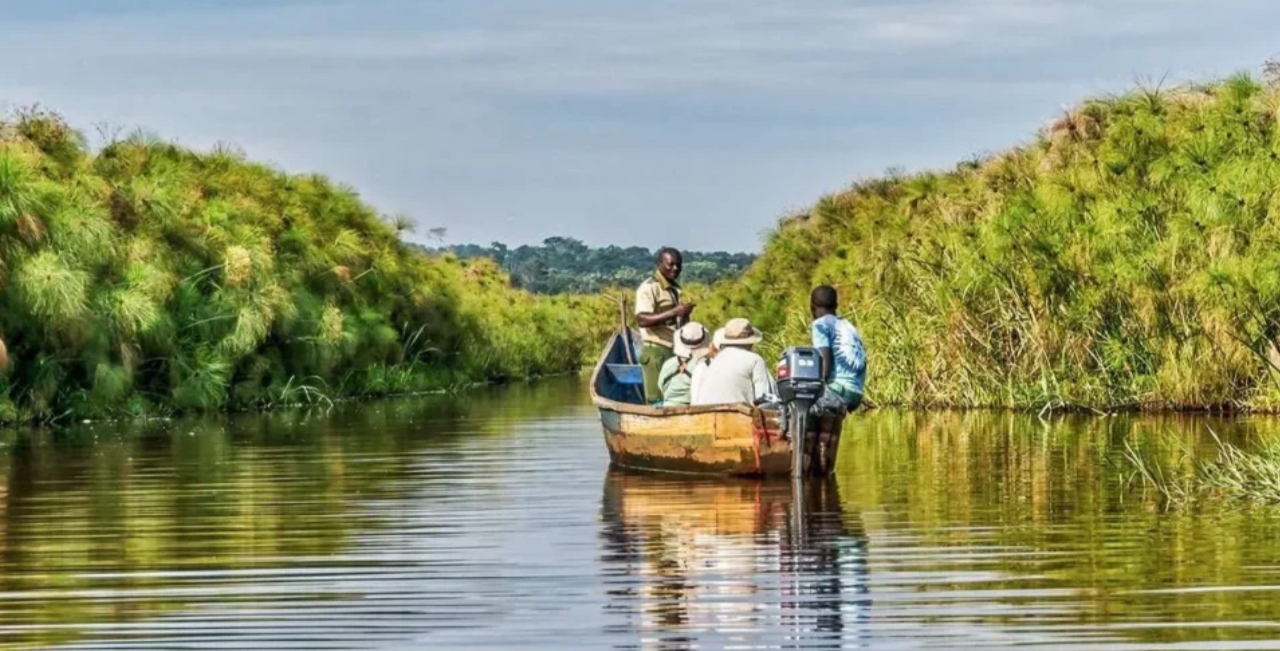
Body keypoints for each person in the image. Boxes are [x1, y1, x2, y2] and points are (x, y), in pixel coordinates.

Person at [635, 247, 695, 403]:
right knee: (656, 399)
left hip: (673, 350)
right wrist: (675, 312)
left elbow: (676, 320)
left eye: (678, 265)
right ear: (659, 264)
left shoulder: (674, 289)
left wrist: (684, 314)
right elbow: (642, 319)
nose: (675, 268)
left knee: (672, 398)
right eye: (671, 264)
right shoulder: (649, 287)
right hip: (656, 352)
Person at [808, 285, 867, 416]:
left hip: (838, 390)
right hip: (856, 394)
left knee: (796, 405)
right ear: (836, 305)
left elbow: (825, 368)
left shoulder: (820, 325)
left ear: (812, 307)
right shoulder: (849, 326)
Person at [691, 318, 776, 406]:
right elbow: (766, 401)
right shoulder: (755, 360)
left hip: (707, 416)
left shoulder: (714, 362)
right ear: (751, 343)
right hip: (740, 417)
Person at [656, 322, 712, 406]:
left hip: (667, 406)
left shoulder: (668, 363)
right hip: (692, 410)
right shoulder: (704, 365)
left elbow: (661, 386)